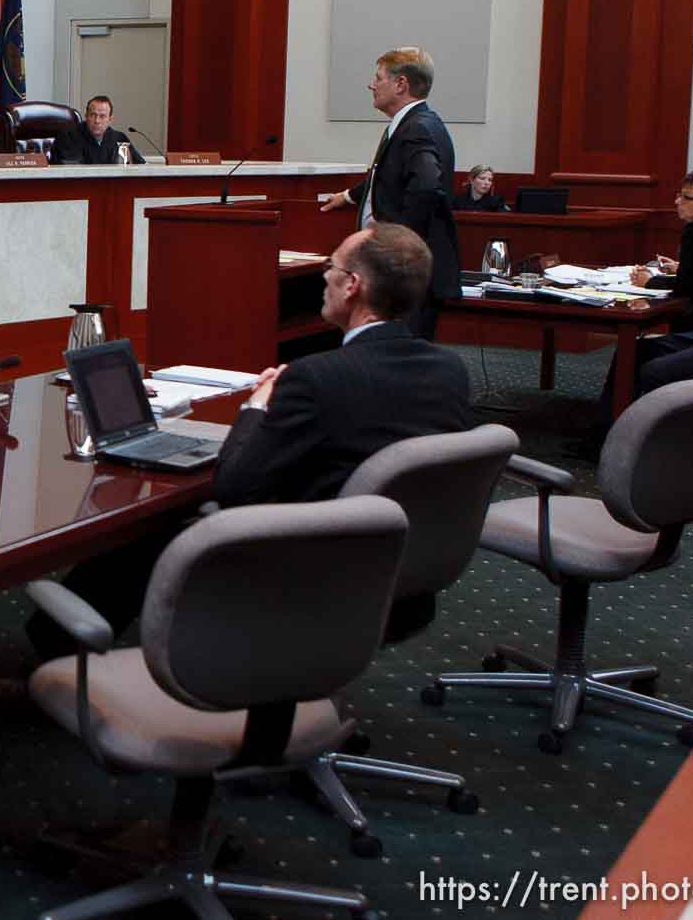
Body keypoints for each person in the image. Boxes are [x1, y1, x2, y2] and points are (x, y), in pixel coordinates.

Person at [26, 222, 473, 654]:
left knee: (153, 534)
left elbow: (234, 488)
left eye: (331, 268)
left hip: (309, 571)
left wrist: (258, 405)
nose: (324, 277)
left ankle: (53, 654)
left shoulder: (318, 379)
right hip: (401, 572)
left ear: (352, 285)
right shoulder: (449, 372)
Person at [319, 46, 458, 340]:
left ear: (401, 84)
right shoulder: (415, 123)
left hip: (404, 271)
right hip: (405, 269)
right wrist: (348, 196)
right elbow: (390, 177)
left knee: (400, 356)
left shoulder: (416, 128)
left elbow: (426, 187)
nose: (371, 85)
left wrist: (396, 246)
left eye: (378, 77)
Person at [603, 169, 693, 403]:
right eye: (678, 195)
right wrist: (683, 267)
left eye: (685, 197)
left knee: (635, 354)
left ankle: (609, 430)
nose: (677, 201)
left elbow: (686, 288)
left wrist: (650, 281)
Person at [51, 95, 143, 165]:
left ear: (110, 119)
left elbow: (139, 165)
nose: (97, 121)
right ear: (86, 116)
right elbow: (73, 169)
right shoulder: (68, 136)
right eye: (93, 115)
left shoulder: (119, 138)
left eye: (102, 116)